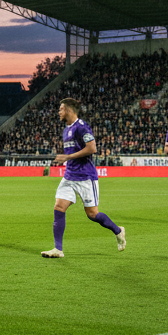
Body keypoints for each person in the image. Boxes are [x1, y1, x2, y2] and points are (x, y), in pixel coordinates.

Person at [43, 97, 126, 258]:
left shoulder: (81, 127)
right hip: (69, 176)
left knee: (92, 214)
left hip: (86, 176)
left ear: (68, 110)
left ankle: (118, 231)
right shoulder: (66, 129)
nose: (58, 112)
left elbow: (92, 148)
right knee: (59, 207)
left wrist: (67, 158)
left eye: (61, 109)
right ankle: (58, 249)